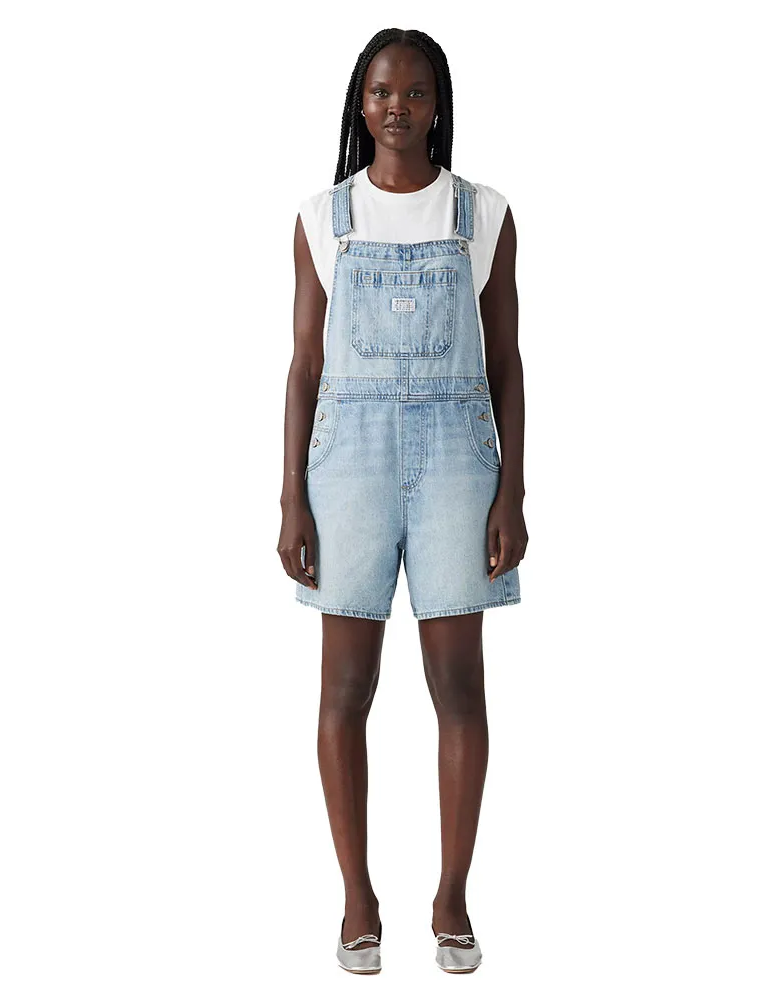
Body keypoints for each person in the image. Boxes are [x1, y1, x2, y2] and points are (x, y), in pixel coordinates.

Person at [277, 28, 529, 974]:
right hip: (346, 466)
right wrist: (291, 499)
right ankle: (357, 898)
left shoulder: (483, 214)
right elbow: (304, 367)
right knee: (345, 689)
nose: (397, 107)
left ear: (437, 105)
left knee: (458, 687)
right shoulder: (323, 217)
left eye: (415, 93)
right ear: (361, 101)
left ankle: (452, 897)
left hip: (460, 464)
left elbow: (507, 363)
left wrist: (513, 490)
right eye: (382, 91)